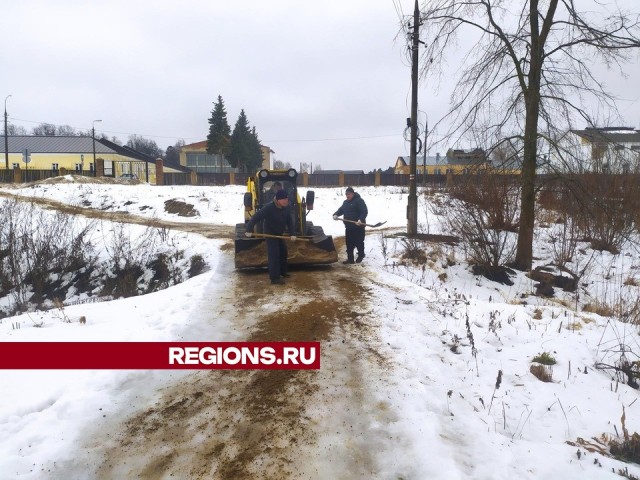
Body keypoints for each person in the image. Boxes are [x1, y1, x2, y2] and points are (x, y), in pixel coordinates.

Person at [245, 189, 296, 284]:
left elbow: (290, 222)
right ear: (278, 200)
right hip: (270, 234)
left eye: (287, 199)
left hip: (279, 234)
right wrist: (249, 229)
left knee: (283, 252)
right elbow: (256, 217)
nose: (286, 201)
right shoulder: (269, 207)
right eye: (284, 199)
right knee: (274, 254)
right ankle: (274, 278)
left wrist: (292, 233)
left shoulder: (286, 208)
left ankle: (282, 272)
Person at [333, 186, 368, 264]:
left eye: (349, 194)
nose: (347, 196)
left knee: (359, 242)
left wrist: (360, 219)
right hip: (349, 227)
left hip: (358, 226)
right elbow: (341, 210)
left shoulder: (359, 201)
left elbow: (364, 211)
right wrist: (336, 214)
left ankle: (361, 255)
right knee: (349, 243)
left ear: (353, 194)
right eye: (346, 194)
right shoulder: (345, 203)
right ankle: (350, 259)